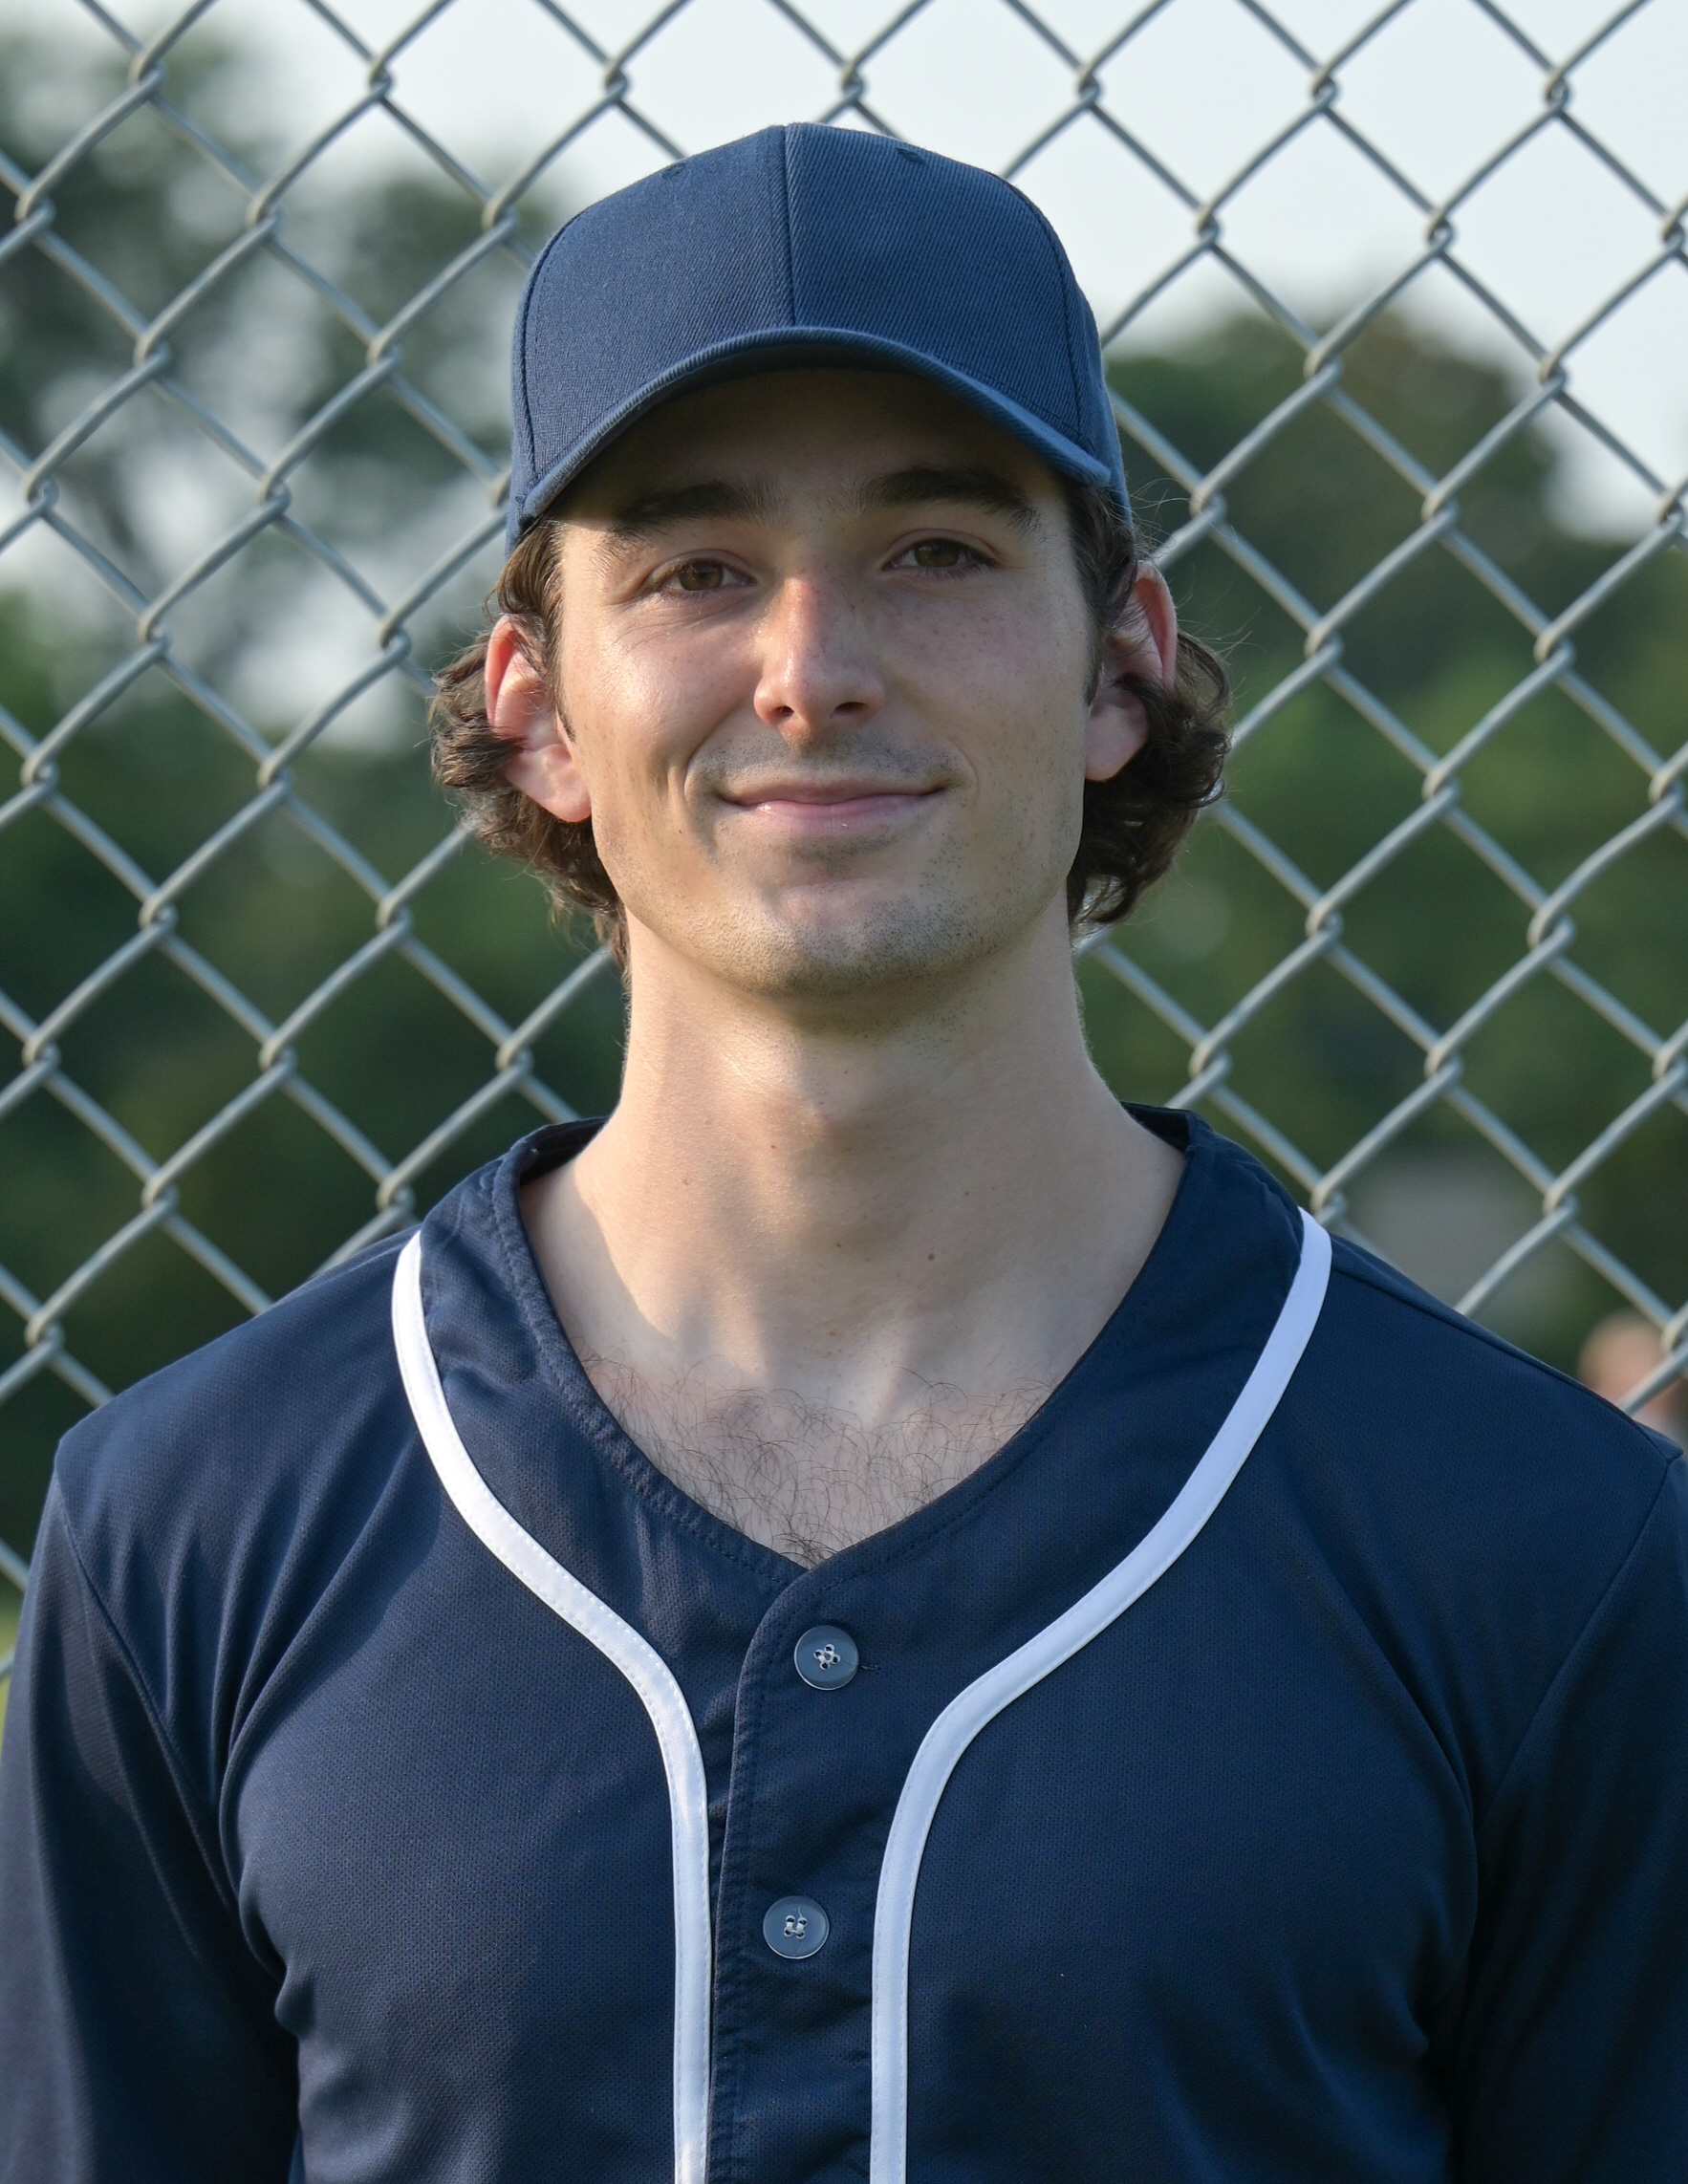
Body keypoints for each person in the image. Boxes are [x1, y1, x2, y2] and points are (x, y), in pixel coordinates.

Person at [1, 124, 1684, 2184]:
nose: (813, 670)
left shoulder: (1540, 1546)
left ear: (1121, 666)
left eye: (937, 551)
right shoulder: (191, 1528)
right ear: (538, 706)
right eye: (694, 572)